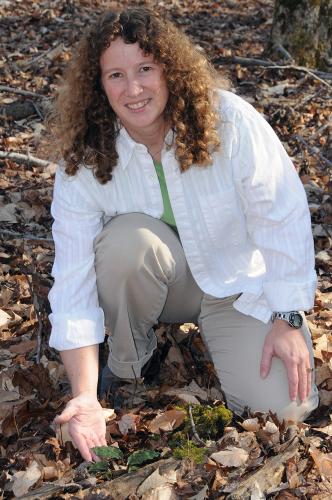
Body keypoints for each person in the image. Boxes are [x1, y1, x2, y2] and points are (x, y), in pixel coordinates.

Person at [48, 7, 319, 462]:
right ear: (99, 86)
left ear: (170, 68)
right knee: (124, 245)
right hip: (161, 279)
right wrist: (83, 393)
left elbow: (282, 216)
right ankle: (129, 363)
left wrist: (287, 317)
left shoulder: (229, 122)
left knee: (286, 412)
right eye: (116, 74)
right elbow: (72, 279)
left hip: (238, 285)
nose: (133, 89)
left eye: (145, 69)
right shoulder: (86, 157)